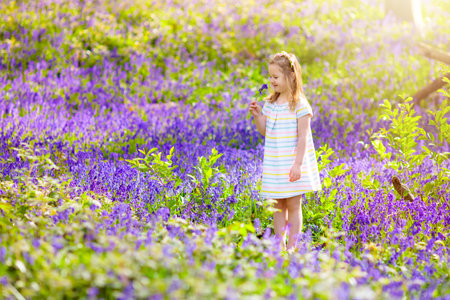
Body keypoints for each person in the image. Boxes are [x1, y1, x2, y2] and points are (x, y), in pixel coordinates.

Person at [249, 51, 322, 252]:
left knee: (293, 204)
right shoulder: (271, 104)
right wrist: (257, 116)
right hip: (275, 162)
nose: (271, 81)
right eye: (270, 76)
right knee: (277, 205)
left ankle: (292, 246)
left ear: (290, 76)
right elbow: (265, 131)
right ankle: (279, 244)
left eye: (275, 77)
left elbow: (303, 137)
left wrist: (298, 164)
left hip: (292, 162)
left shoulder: (300, 105)